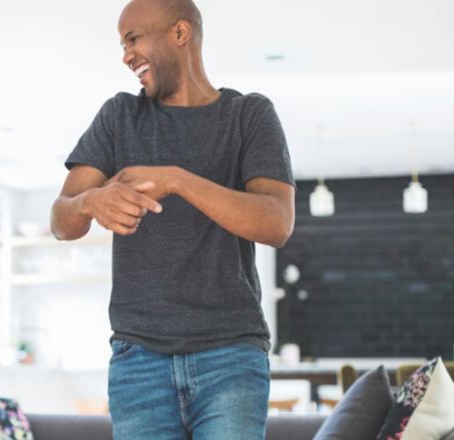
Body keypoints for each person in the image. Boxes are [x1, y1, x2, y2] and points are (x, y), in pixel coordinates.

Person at [50, 0, 296, 438]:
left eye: (133, 39)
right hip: (138, 361)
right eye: (122, 44)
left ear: (180, 34)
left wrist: (178, 180)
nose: (125, 55)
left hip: (231, 356)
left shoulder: (249, 116)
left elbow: (276, 222)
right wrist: (91, 202)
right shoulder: (119, 116)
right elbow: (60, 216)